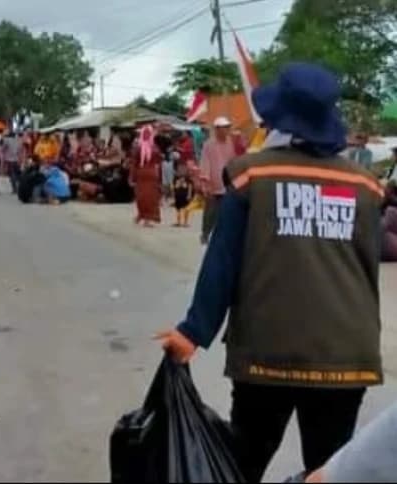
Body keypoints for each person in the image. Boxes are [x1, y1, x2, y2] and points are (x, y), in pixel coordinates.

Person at [158, 63, 384, 483]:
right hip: (345, 353)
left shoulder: (250, 175)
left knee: (242, 464)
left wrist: (193, 332)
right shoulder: (367, 187)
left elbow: (222, 262)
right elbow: (365, 267)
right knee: (330, 472)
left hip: (268, 350)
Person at [199, 116, 237, 244]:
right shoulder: (208, 145)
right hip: (213, 183)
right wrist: (205, 183)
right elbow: (205, 163)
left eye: (228, 127)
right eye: (224, 128)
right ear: (217, 129)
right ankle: (205, 233)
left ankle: (220, 236)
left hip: (226, 183)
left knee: (225, 211)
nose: (227, 130)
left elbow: (233, 161)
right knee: (210, 211)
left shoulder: (230, 143)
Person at [129, 124, 163, 227]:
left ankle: (145, 217)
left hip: (145, 174)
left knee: (144, 197)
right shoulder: (153, 148)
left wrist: (131, 177)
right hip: (149, 174)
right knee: (147, 197)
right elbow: (159, 160)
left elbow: (134, 163)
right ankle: (144, 216)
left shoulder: (139, 147)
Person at [2, 130, 23, 194]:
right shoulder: (18, 141)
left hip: (9, 160)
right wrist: (20, 159)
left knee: (12, 174)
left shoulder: (7, 140)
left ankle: (14, 189)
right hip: (16, 159)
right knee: (18, 174)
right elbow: (20, 150)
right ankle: (21, 186)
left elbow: (3, 148)